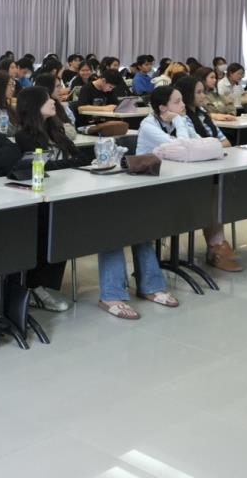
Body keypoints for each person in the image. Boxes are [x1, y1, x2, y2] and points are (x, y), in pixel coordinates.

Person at [80, 85, 184, 320]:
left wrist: (180, 122)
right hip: (112, 186)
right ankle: (112, 295)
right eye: (178, 101)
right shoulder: (149, 124)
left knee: (140, 228)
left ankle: (151, 285)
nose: (183, 105)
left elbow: (191, 143)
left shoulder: (183, 119)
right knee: (114, 227)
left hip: (143, 184)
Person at [10, 85, 80, 310]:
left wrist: (66, 164)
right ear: (34, 105)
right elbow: (43, 167)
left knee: (65, 231)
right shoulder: (24, 136)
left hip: (62, 193)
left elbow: (78, 157)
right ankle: (35, 286)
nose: (53, 102)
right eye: (47, 99)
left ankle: (44, 285)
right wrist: (67, 164)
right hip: (38, 198)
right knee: (46, 232)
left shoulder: (54, 129)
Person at [175, 75, 241, 271]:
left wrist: (212, 146)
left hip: (214, 164)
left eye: (203, 91)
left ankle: (217, 244)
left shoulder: (203, 114)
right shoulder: (182, 118)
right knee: (213, 194)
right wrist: (212, 146)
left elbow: (226, 141)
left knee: (222, 191)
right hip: (193, 172)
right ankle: (216, 245)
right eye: (199, 92)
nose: (204, 95)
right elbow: (196, 146)